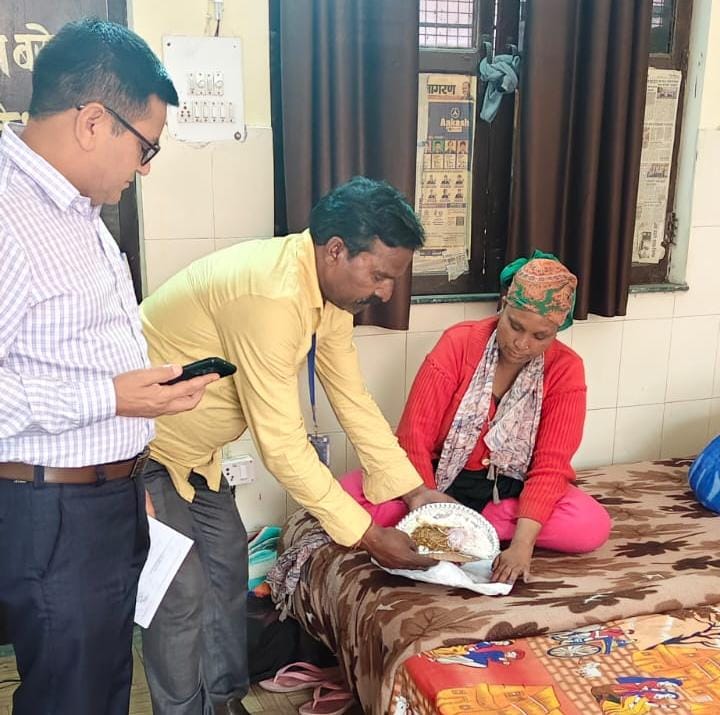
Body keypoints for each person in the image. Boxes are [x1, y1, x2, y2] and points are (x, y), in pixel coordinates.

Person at [139, 176, 451, 715]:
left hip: (198, 459)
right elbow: (281, 445)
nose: (384, 293)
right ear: (336, 250)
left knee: (227, 569)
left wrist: (414, 490)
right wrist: (366, 534)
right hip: (146, 450)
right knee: (179, 595)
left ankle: (224, 702)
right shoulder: (272, 296)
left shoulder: (325, 297)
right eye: (379, 275)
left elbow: (351, 396)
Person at [0, 19, 217, 715]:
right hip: (53, 511)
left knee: (101, 689)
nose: (145, 166)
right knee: (72, 697)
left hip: (104, 499)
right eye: (145, 145)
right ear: (94, 121)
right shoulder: (9, 216)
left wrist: (125, 475)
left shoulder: (78, 211)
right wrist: (112, 399)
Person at [341, 253, 612, 585]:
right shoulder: (459, 343)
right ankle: (462, 524)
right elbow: (413, 436)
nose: (521, 343)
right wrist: (429, 512)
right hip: (439, 483)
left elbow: (551, 466)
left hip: (511, 491)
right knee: (347, 494)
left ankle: (479, 526)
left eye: (540, 336)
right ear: (503, 305)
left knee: (591, 525)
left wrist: (523, 545)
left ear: (557, 330)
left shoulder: (566, 369)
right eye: (515, 326)